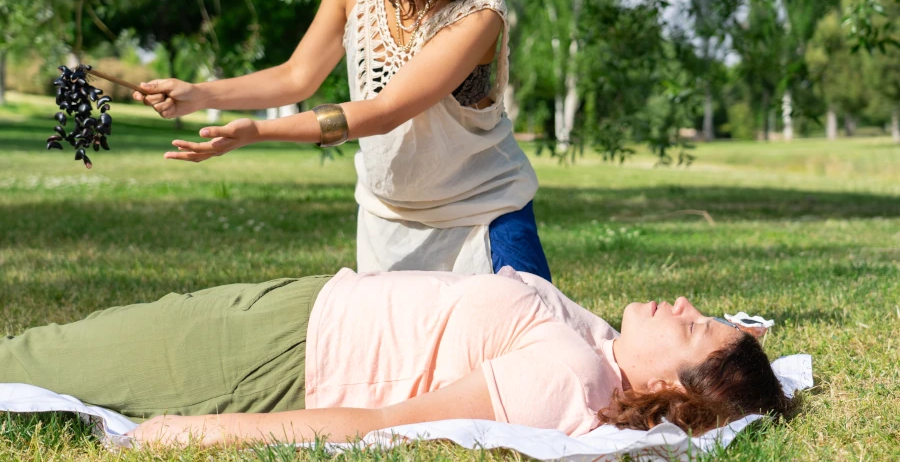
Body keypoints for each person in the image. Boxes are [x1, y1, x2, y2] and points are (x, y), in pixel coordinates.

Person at [132, 0, 552, 281]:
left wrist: (259, 131)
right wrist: (200, 94)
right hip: (386, 219)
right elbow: (298, 76)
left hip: (483, 212)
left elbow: (385, 112)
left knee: (525, 326)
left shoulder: (480, 13)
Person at [0, 268, 793, 447]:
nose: (682, 305)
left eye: (693, 327)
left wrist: (200, 434)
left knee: (31, 360)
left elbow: (384, 424)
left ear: (663, 384)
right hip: (292, 312)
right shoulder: (597, 344)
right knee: (50, 347)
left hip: (261, 360)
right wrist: (739, 347)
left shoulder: (568, 377)